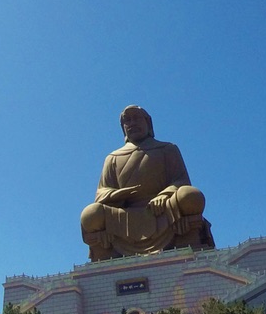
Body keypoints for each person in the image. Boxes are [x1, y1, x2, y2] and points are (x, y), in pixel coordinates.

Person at [80, 105, 214, 261]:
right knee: (90, 214)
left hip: (164, 209)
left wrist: (164, 195)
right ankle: (106, 250)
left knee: (191, 196)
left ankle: (185, 237)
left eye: (137, 118)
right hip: (125, 215)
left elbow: (181, 181)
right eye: (127, 120)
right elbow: (101, 192)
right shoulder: (113, 158)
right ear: (123, 128)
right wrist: (118, 194)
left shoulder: (167, 149)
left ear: (148, 123)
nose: (132, 123)